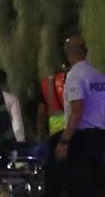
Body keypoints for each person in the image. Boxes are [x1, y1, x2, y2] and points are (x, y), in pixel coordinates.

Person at [55, 35, 105, 197]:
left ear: (67, 53)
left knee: (79, 187)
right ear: (86, 52)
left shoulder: (74, 76)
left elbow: (77, 111)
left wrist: (64, 141)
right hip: (101, 138)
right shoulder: (98, 75)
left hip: (83, 141)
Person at [36, 64, 69, 197]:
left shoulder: (47, 85)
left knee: (54, 179)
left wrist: (40, 137)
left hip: (55, 138)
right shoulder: (81, 81)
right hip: (79, 136)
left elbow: (41, 114)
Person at [0, 69, 25, 142]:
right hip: (8, 140)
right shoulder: (12, 100)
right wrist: (20, 141)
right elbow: (17, 124)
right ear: (5, 81)